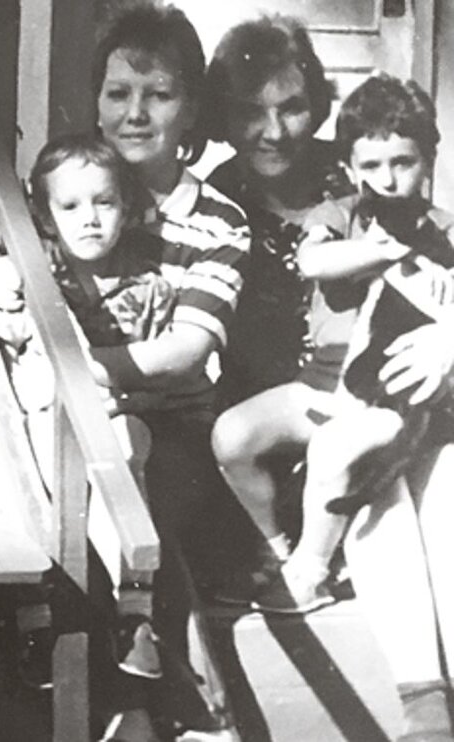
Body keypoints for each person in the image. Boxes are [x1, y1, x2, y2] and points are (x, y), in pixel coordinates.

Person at [214, 74, 454, 615]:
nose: (387, 179)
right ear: (349, 166)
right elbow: (313, 260)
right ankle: (278, 549)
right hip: (322, 383)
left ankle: (311, 573)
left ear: (428, 160)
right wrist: (387, 252)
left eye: (403, 162)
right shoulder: (341, 216)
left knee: (333, 448)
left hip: (392, 396)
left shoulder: (445, 231)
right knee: (233, 436)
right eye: (371, 165)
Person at [89, 3, 250, 738]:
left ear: (191, 109)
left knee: (141, 497)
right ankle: (124, 689)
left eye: (158, 95)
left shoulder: (215, 218)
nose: (135, 113)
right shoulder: (67, 189)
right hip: (79, 417)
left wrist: (86, 367)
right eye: (118, 92)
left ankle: (150, 697)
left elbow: (187, 347)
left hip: (171, 426)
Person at [0, 133, 174, 681]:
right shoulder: (35, 277)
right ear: (45, 217)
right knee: (10, 474)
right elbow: (8, 336)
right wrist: (1, 279)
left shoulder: (149, 289)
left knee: (123, 444)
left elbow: (158, 383)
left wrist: (118, 396)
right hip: (43, 423)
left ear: (126, 208)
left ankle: (133, 614)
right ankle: (35, 619)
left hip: (115, 419)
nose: (89, 218)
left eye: (104, 202)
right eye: (69, 206)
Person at [202, 15, 358, 607]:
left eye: (291, 108)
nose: (273, 131)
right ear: (224, 116)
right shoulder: (218, 196)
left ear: (316, 106)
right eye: (250, 111)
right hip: (254, 426)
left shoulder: (354, 175)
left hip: (349, 402)